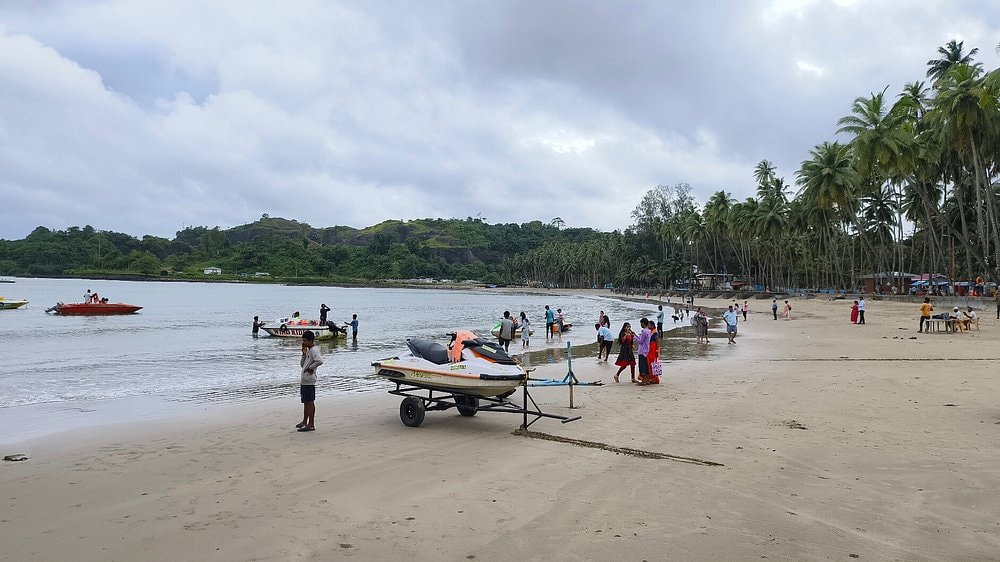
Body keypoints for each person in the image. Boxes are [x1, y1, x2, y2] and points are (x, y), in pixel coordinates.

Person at [296, 330, 323, 432]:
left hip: (309, 380)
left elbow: (320, 360)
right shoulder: (308, 350)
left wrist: (311, 368)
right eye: (303, 340)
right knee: (306, 402)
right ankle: (304, 421)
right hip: (305, 380)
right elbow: (302, 365)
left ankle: (311, 424)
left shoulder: (314, 350)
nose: (303, 343)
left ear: (311, 341)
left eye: (305, 341)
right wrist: (303, 354)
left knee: (310, 401)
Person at [635, 318, 651, 385]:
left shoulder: (644, 331)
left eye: (641, 323)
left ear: (643, 323)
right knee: (646, 366)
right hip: (646, 350)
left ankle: (644, 381)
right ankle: (647, 380)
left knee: (642, 366)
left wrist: (634, 338)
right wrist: (636, 335)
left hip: (642, 350)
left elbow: (640, 341)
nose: (640, 325)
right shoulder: (648, 331)